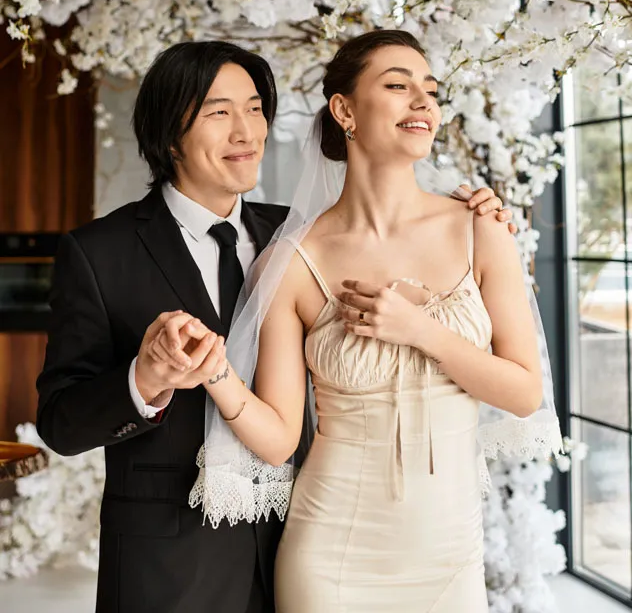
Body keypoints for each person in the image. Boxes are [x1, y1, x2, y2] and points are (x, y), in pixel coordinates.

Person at [36, 37, 512, 613]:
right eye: (219, 112)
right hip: (174, 567)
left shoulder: (298, 235)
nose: (246, 132)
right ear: (168, 135)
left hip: (310, 531)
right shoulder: (99, 253)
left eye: (255, 109)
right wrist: (147, 377)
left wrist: (482, 224)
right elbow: (61, 423)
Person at [154, 31, 560, 613]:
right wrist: (214, 372)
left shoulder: (480, 228)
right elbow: (277, 441)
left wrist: (422, 331)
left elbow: (523, 393)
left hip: (451, 557)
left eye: (431, 90)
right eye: (397, 85)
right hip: (332, 553)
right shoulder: (292, 261)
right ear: (344, 110)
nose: (423, 101)